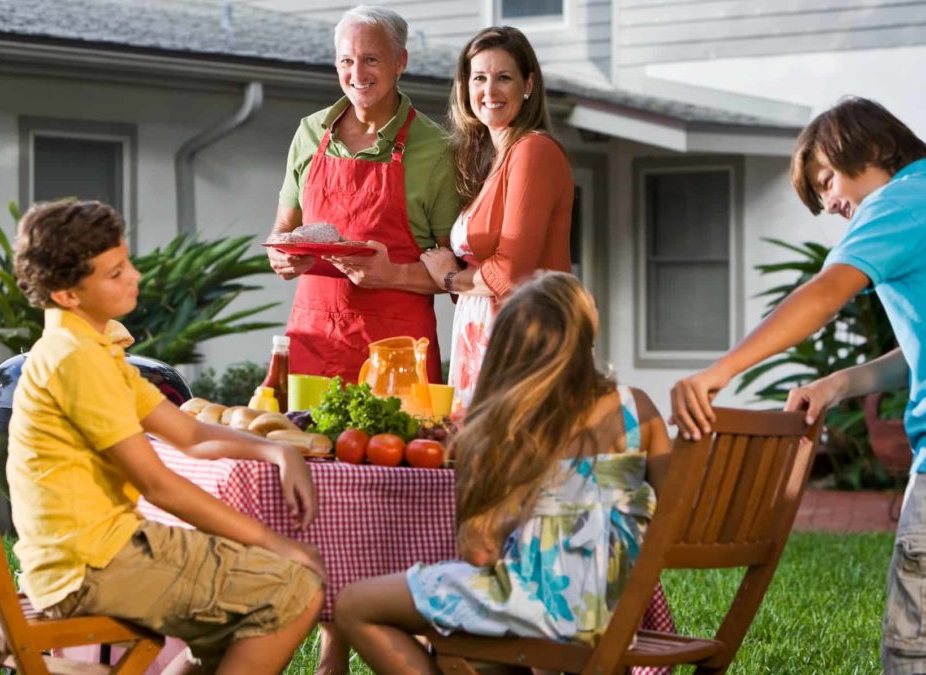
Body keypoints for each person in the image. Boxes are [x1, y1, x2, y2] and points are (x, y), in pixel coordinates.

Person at [669, 97, 926, 674]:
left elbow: (825, 293)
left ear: (876, 150)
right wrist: (841, 383)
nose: (830, 202)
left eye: (828, 179)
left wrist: (719, 372)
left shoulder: (897, 205)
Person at [8, 200, 327, 675]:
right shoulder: (76, 360)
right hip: (89, 568)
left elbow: (190, 434)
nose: (134, 276)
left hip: (90, 556)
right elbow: (159, 485)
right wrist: (274, 542)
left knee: (254, 603)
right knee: (295, 589)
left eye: (128, 262)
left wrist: (277, 449)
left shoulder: (89, 348)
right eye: (115, 273)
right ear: (68, 295)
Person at [332, 272, 671, 673]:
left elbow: (479, 551)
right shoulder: (638, 408)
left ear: (505, 354)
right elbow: (672, 511)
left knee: (354, 605)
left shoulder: (506, 426)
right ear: (584, 342)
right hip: (613, 612)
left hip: (532, 606)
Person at [269, 5, 460, 385]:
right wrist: (282, 257)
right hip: (314, 342)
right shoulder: (309, 133)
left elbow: (455, 272)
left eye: (370, 59)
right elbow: (282, 231)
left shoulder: (437, 150)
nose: (357, 74)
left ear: (399, 61)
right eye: (346, 60)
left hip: (398, 351)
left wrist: (393, 275)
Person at [420, 25, 574, 412]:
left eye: (503, 77)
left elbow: (509, 274)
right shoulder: (491, 163)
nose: (489, 91)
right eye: (479, 78)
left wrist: (449, 278)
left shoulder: (533, 152)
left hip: (523, 346)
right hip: (481, 339)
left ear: (528, 84)